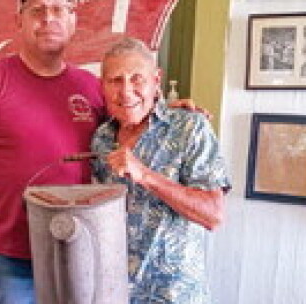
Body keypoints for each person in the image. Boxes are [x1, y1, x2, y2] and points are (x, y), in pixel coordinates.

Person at [0, 1, 204, 303]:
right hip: (11, 257)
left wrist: (164, 109)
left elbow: (130, 121)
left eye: (58, 9)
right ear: (19, 20)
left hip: (81, 250)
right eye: (37, 9)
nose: (48, 18)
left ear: (73, 21)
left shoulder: (91, 86)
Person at [91, 37, 231, 303]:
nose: (126, 91)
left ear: (156, 81)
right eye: (115, 81)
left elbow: (213, 215)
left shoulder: (191, 128)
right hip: (113, 292)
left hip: (173, 295)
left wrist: (145, 175)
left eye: (137, 79)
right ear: (103, 87)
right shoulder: (101, 137)